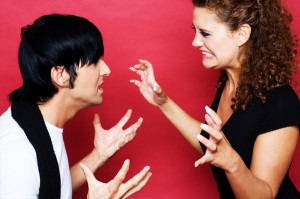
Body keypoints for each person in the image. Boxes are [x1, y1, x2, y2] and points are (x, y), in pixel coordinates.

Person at [130, 0, 300, 198]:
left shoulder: (280, 102)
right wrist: (163, 102)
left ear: (241, 34)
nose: (195, 41)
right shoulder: (230, 82)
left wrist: (231, 162)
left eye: (205, 33)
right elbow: (210, 141)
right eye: (195, 31)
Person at [0, 14, 151, 199]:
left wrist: (99, 156)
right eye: (95, 62)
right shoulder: (17, 152)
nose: (106, 70)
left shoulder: (36, 124)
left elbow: (49, 186)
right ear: (61, 75)